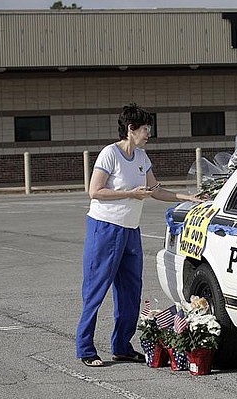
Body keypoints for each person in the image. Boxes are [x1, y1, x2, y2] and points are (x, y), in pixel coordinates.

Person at [76, 103, 204, 367]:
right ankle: (85, 348)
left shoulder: (142, 158)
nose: (149, 133)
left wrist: (187, 196)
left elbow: (155, 190)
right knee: (96, 290)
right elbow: (95, 191)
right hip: (105, 228)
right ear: (131, 129)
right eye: (145, 128)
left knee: (130, 292)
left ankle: (122, 346)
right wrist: (130, 194)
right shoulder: (110, 154)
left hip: (130, 230)